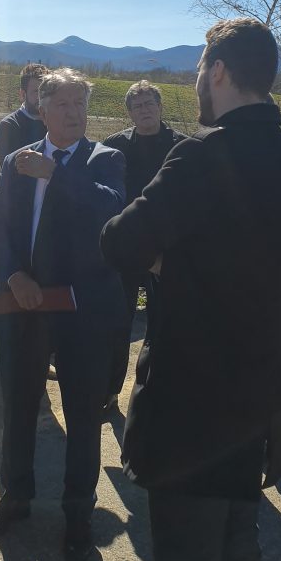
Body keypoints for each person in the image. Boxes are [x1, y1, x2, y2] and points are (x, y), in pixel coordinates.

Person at [101, 19, 281, 561]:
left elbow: (118, 242)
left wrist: (174, 265)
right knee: (239, 553)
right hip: (255, 394)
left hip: (190, 403)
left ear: (217, 70)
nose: (196, 80)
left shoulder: (199, 157)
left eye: (198, 68)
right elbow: (264, 270)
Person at [0, 69, 125, 561]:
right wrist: (13, 273)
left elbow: (109, 211)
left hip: (81, 311)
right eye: (63, 105)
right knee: (17, 409)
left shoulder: (105, 158)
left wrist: (56, 175)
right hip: (24, 307)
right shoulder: (20, 163)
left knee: (83, 418)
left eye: (80, 104)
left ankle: (78, 516)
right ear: (41, 110)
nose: (74, 113)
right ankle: (15, 499)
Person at [102, 81, 186, 410]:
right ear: (129, 113)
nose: (145, 110)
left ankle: (156, 391)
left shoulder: (181, 146)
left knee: (164, 322)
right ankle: (108, 391)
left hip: (167, 250)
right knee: (117, 322)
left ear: (160, 106)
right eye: (138, 106)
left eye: (150, 103)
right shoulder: (114, 146)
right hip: (126, 248)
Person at [0, 63, 49, 386]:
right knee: (3, 291)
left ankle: (37, 354)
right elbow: (17, 171)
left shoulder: (52, 122)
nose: (41, 97)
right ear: (23, 93)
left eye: (45, 91)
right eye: (36, 91)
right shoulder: (11, 125)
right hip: (12, 219)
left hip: (44, 221)